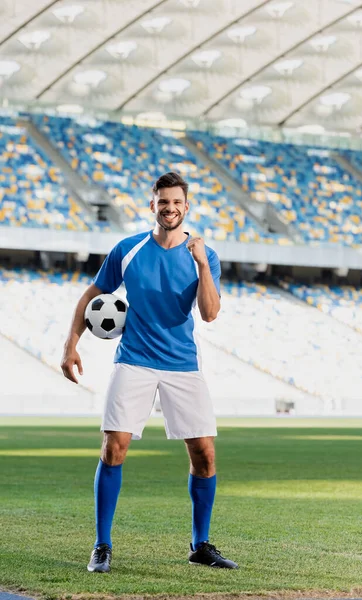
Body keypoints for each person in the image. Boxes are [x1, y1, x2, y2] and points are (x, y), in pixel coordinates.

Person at [61, 171, 238, 572]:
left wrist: (202, 265)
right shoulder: (129, 249)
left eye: (177, 202)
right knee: (114, 447)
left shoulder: (204, 256)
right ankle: (102, 545)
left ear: (186, 206)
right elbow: (93, 295)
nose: (170, 208)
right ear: (153, 205)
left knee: (205, 454)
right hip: (134, 360)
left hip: (182, 364)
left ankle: (200, 545)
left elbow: (210, 313)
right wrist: (71, 344)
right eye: (163, 202)